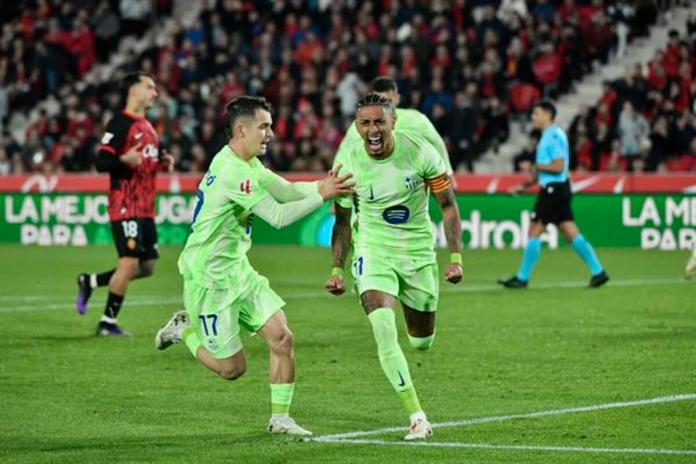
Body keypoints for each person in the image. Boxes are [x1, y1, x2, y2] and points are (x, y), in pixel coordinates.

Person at [154, 96, 353, 436]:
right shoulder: (233, 172)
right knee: (232, 369)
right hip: (210, 279)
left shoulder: (246, 163)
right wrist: (323, 197)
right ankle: (182, 330)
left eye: (270, 126)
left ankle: (280, 419)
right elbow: (277, 217)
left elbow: (287, 191)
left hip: (237, 269)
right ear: (241, 129)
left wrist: (322, 185)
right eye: (264, 126)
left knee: (282, 337)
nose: (270, 133)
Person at [325, 93, 464, 441]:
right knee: (383, 328)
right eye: (364, 123)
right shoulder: (348, 164)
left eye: (379, 122)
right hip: (373, 252)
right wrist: (337, 269)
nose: (372, 130)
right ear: (357, 126)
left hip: (417, 255)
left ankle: (415, 315)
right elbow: (342, 221)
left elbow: (448, 206)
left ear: (393, 122)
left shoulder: (421, 152)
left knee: (421, 343)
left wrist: (456, 258)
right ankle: (416, 416)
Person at [75, 72, 174, 336]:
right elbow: (101, 162)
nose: (155, 92)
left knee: (147, 266)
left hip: (145, 207)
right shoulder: (120, 123)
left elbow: (146, 160)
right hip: (124, 204)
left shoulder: (149, 127)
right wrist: (123, 161)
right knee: (129, 264)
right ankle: (107, 323)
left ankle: (90, 281)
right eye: (149, 87)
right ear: (133, 91)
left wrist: (162, 160)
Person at [499, 101, 610, 289]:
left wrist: (534, 166)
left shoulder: (554, 136)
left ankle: (522, 278)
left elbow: (558, 166)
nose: (533, 117)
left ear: (548, 115)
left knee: (534, 230)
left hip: (554, 189)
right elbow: (545, 170)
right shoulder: (547, 137)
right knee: (569, 231)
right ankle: (598, 272)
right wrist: (522, 186)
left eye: (536, 114)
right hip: (556, 188)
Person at [335, 76, 454, 179]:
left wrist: (448, 173)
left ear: (397, 98)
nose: (384, 106)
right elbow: (344, 153)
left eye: (388, 101)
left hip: (410, 181)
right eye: (380, 101)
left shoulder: (416, 119)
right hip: (374, 181)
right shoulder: (361, 124)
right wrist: (335, 180)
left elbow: (437, 143)